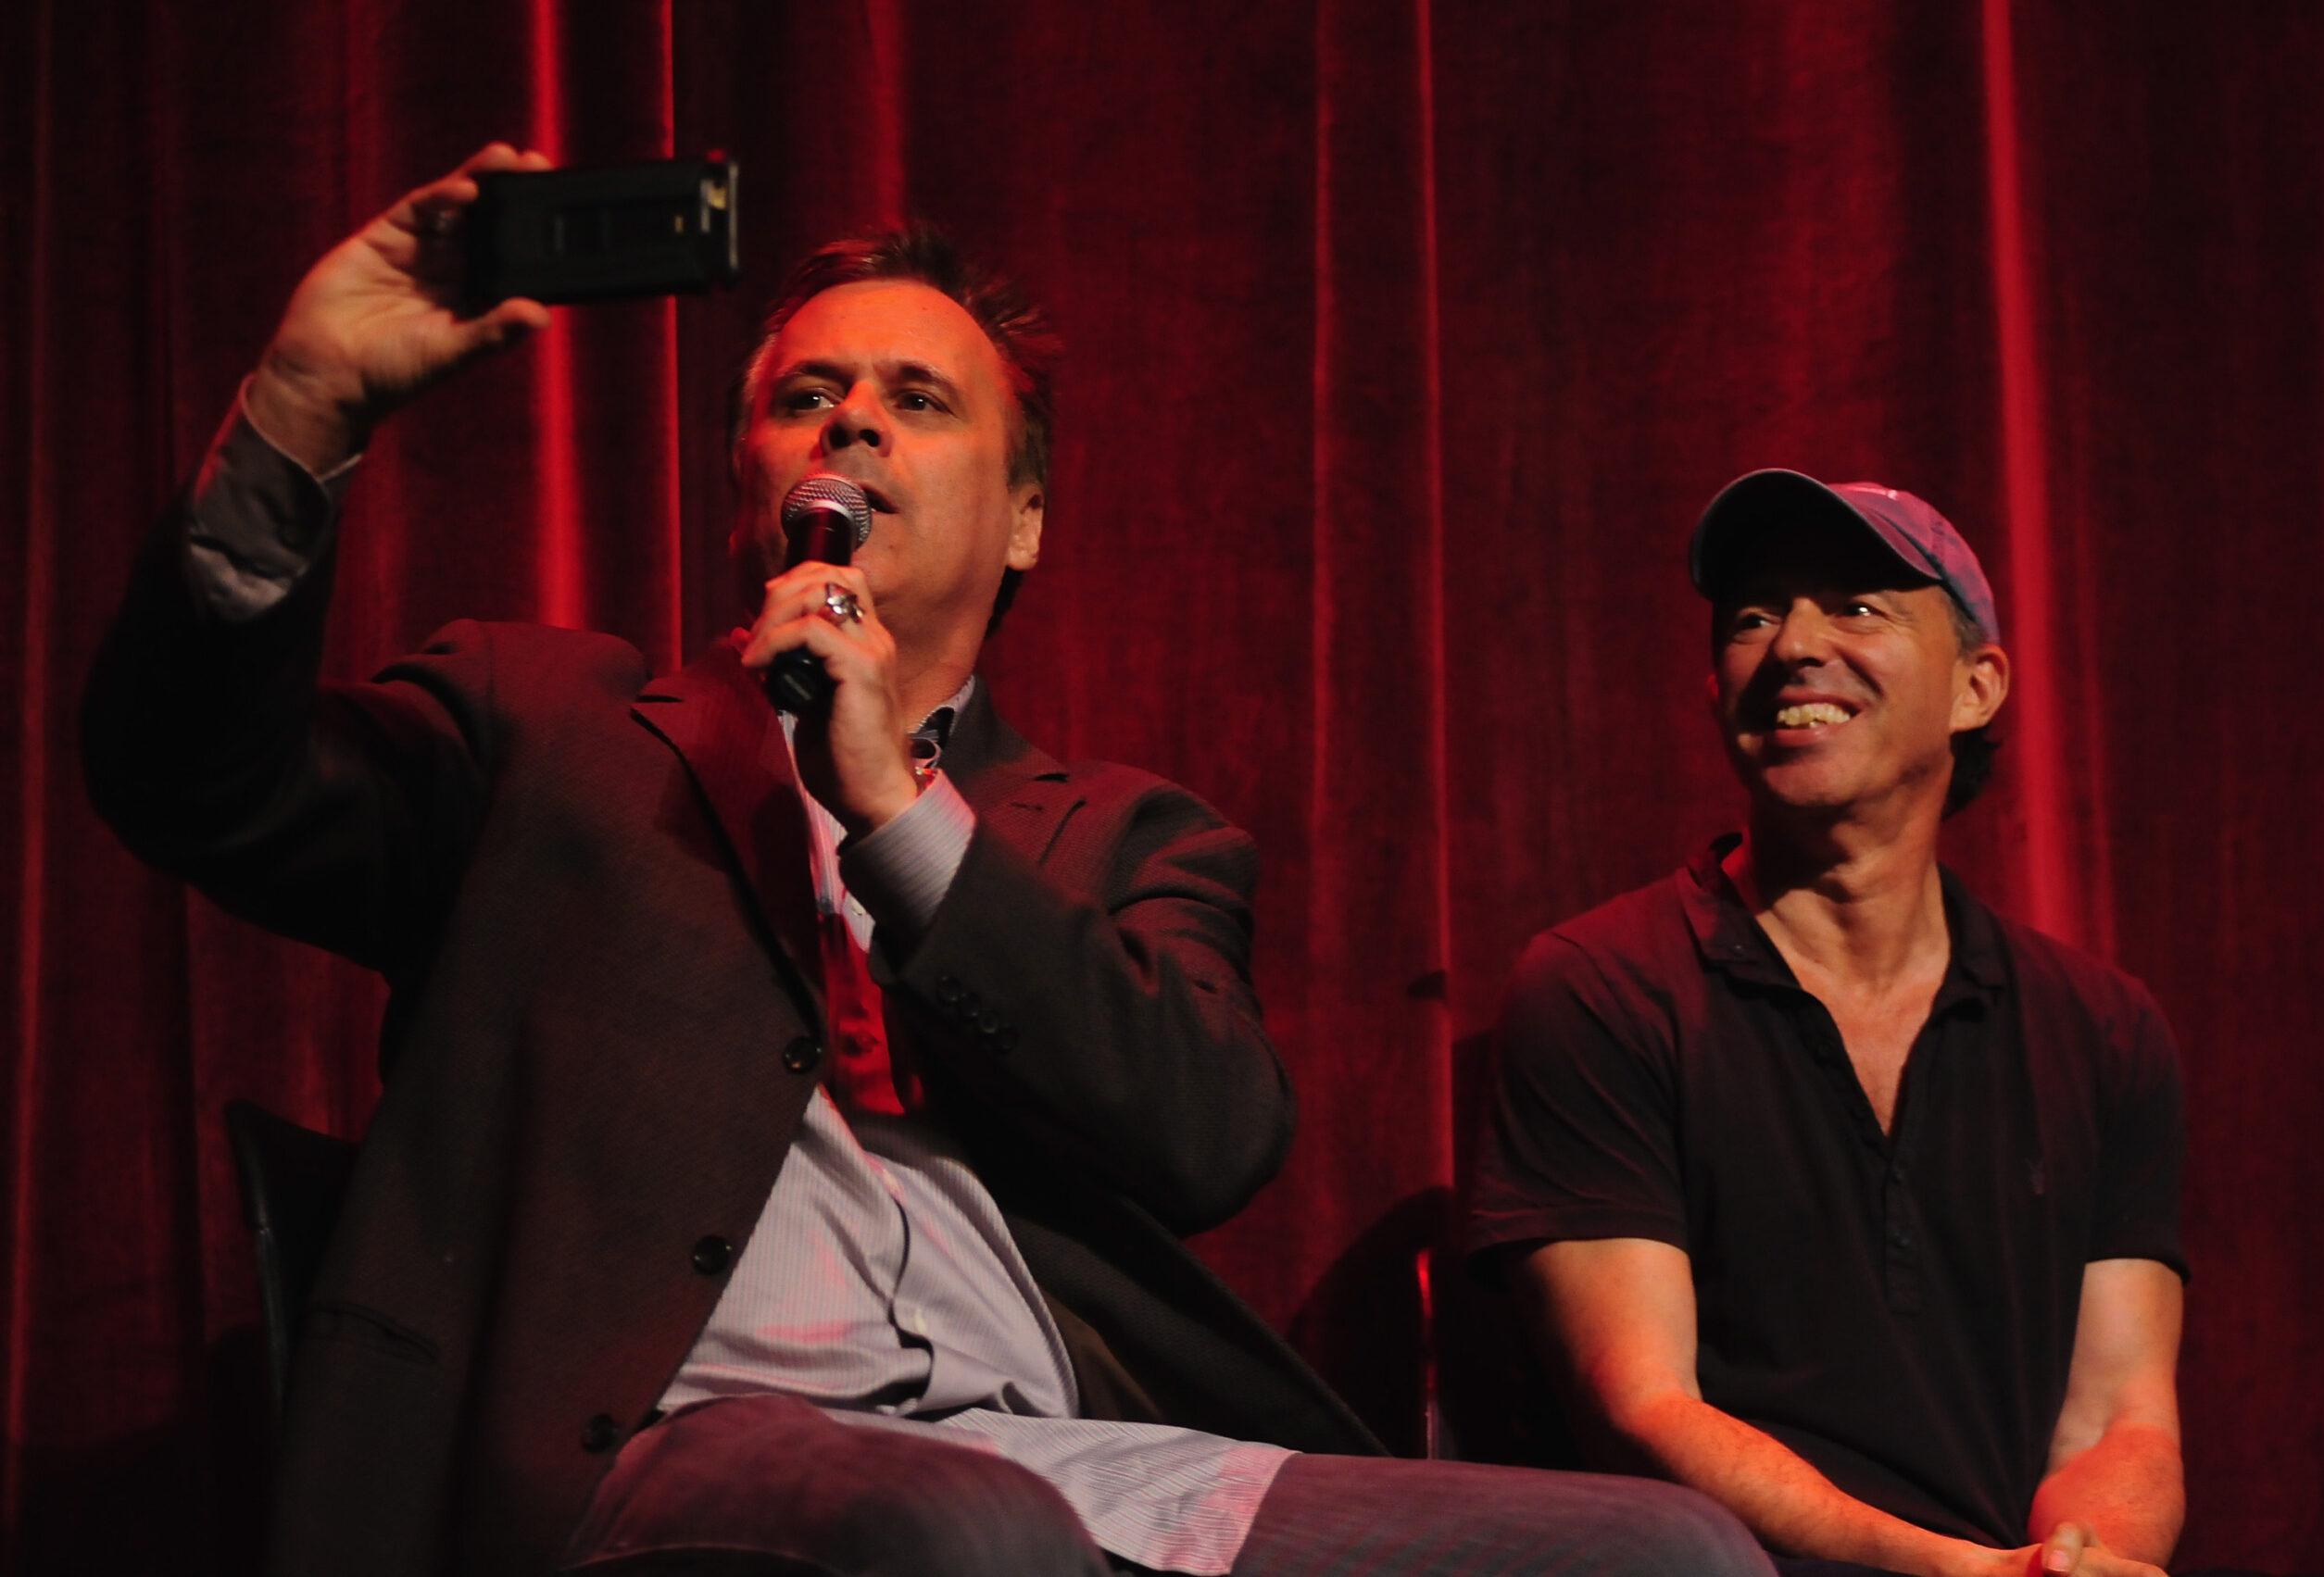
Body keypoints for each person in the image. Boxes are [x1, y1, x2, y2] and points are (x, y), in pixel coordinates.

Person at [85, 144, 1772, 1577]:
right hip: (656, 1440)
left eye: (917, 400)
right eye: (805, 398)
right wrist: (300, 409)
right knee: (962, 1529)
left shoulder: (1129, 835)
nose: (852, 427)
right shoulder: (546, 725)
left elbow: (1209, 1135)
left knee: (1669, 1552)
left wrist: (899, 807)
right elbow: (196, 780)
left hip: (1075, 1451)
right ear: (748, 485)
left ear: (1025, 519)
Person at [1465, 469, 2188, 1577]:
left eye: (1856, 605)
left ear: (1977, 687)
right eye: (1753, 616)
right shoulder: (1601, 988)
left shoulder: (2102, 1028)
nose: (1794, 644)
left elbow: (2117, 1421)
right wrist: (1950, 1569)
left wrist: (2078, 1562)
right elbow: (1643, 1409)